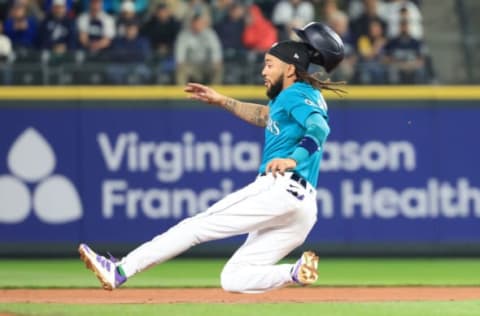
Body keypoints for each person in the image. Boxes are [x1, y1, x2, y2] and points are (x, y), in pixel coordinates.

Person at [78, 22, 345, 294]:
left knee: (196, 227)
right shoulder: (293, 98)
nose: (263, 71)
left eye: (269, 64)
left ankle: (120, 271)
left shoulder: (295, 93)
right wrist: (223, 101)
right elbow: (263, 116)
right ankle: (294, 271)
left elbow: (319, 128)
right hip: (304, 209)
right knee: (233, 278)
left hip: (280, 188)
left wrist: (294, 159)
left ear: (289, 69)